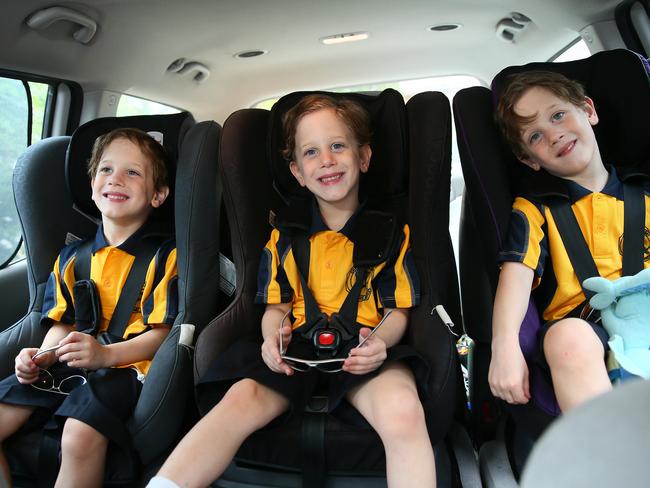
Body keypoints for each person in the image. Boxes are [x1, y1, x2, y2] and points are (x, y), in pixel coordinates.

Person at [149, 94, 436, 488]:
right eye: (311, 152)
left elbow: (398, 310)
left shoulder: (390, 235)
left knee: (404, 409)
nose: (327, 160)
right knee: (237, 401)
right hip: (295, 351)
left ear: (364, 157)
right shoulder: (283, 238)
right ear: (298, 172)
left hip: (364, 351)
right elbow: (275, 305)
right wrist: (273, 337)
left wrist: (380, 345)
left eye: (338, 146)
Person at [0, 128, 178, 487]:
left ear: (158, 195)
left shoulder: (165, 257)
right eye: (106, 170)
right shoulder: (71, 257)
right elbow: (62, 322)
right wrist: (42, 357)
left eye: (133, 172)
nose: (116, 179)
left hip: (129, 368)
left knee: (78, 436)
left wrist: (105, 356)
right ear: (93, 184)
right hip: (72, 360)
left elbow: (162, 333)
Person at [488, 71, 650, 413]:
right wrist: (504, 348)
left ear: (588, 111)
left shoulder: (645, 191)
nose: (553, 134)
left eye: (558, 114)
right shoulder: (534, 210)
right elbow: (515, 279)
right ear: (530, 160)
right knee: (567, 339)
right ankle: (604, 455)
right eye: (535, 136)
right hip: (588, 326)